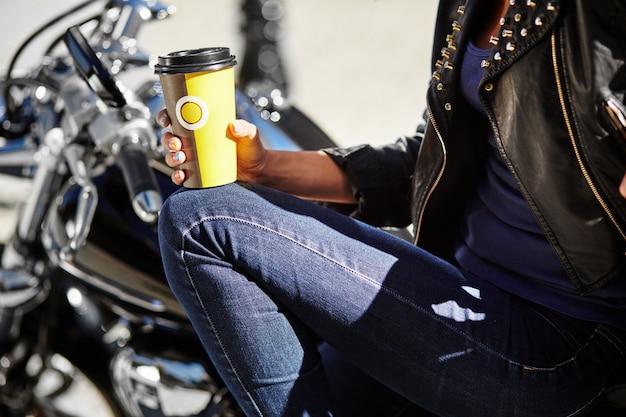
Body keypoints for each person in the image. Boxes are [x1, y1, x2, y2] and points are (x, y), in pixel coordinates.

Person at [156, 0, 626, 415]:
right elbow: (427, 162)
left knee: (201, 221)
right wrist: (263, 167)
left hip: (560, 340)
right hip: (462, 286)